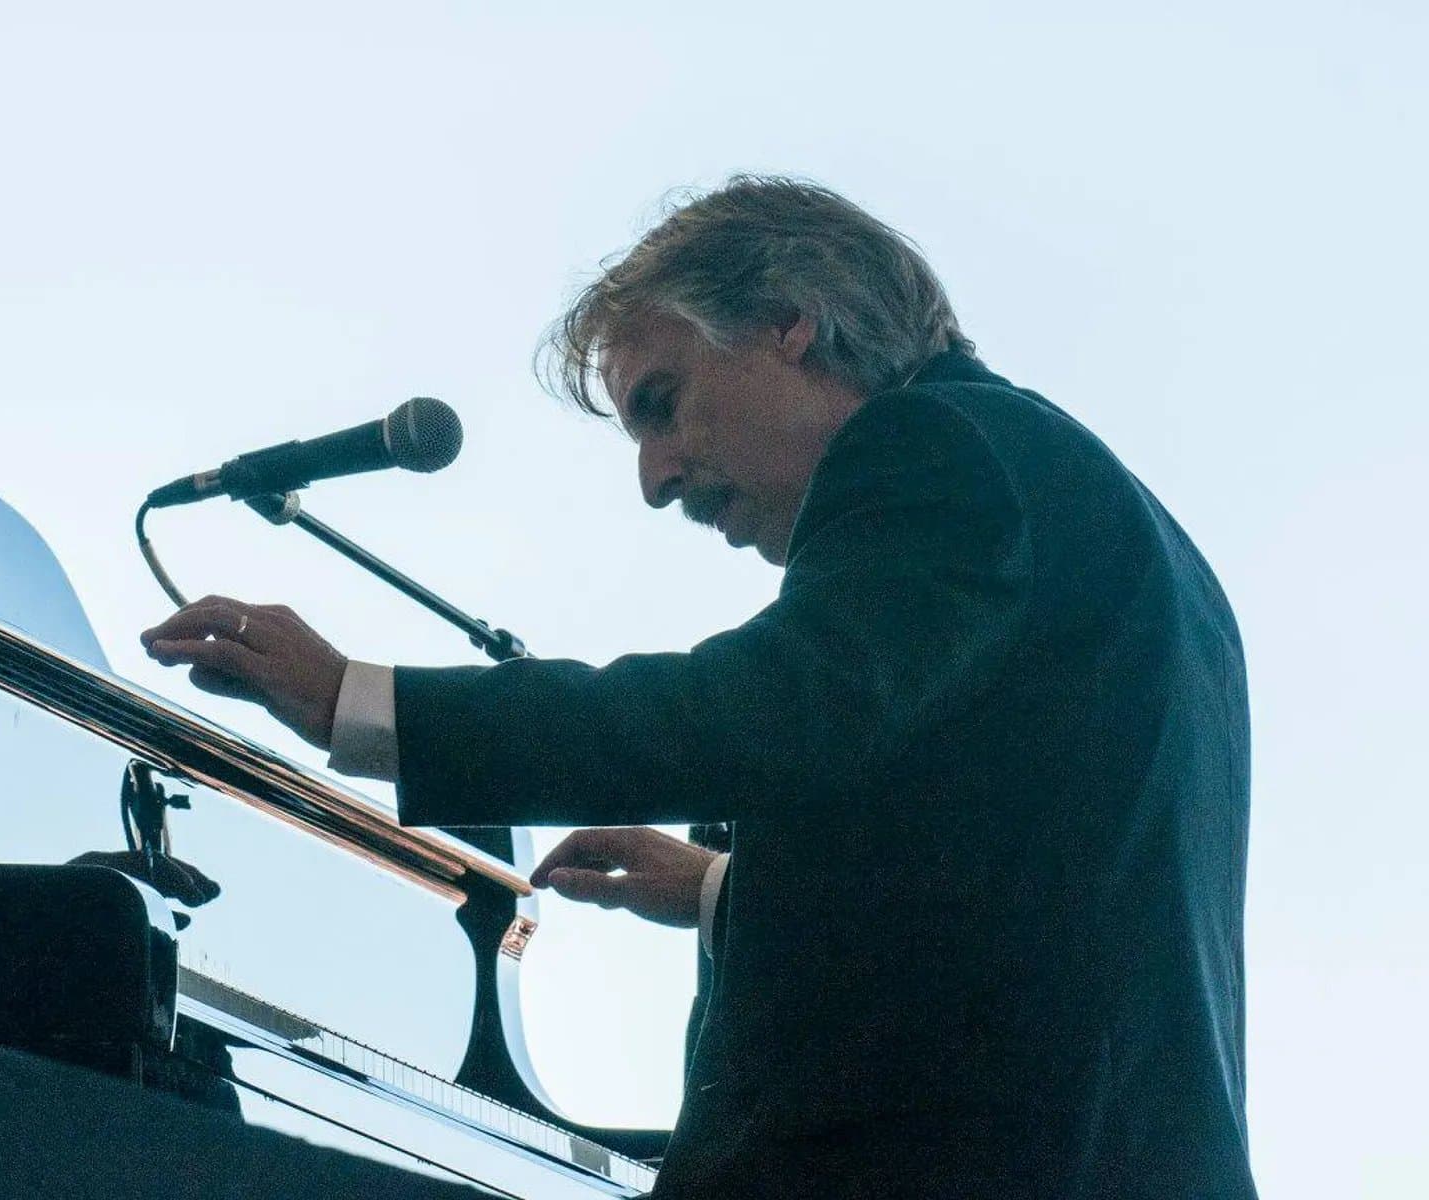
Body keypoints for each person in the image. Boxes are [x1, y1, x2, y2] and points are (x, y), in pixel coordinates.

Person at [141, 176, 1258, 1198]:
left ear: (789, 321)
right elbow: (1023, 882)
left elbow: (765, 710)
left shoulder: (935, 446)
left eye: (662, 404)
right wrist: (728, 890)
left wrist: (361, 701)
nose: (654, 480)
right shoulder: (1107, 521)